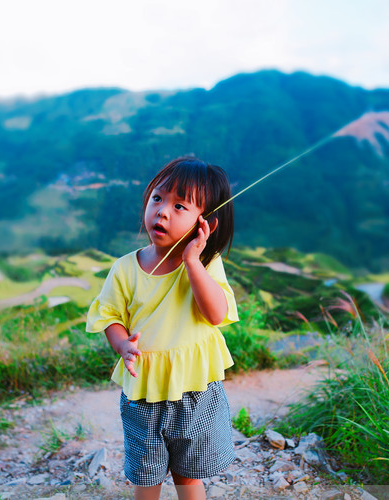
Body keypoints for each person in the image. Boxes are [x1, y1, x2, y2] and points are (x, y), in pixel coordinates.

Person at [86, 156, 238, 500]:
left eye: (180, 205)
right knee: (147, 475)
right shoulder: (125, 268)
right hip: (143, 390)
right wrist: (122, 344)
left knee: (188, 475)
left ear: (205, 224)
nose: (163, 211)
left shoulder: (206, 265)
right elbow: (109, 314)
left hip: (195, 388)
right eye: (158, 198)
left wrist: (192, 262)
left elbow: (216, 314)